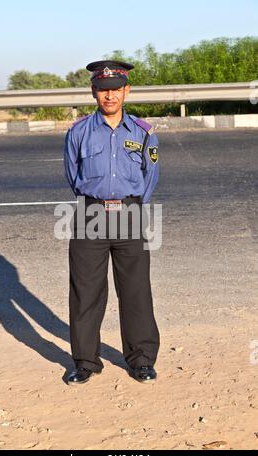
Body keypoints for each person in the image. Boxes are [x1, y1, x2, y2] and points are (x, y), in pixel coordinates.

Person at [64, 60, 160, 385]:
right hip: (90, 213)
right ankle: (85, 362)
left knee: (135, 290)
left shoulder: (145, 133)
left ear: (126, 91)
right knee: (85, 290)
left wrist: (129, 205)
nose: (109, 96)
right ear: (94, 91)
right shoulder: (77, 132)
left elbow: (150, 178)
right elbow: (74, 178)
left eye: (115, 90)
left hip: (130, 214)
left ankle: (142, 360)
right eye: (103, 90)